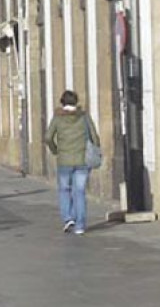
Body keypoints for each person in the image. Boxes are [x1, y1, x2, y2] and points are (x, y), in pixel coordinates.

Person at [45, 90, 100, 235]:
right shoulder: (84, 117)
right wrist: (94, 149)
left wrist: (55, 150)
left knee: (64, 189)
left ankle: (68, 217)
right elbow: (95, 137)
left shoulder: (58, 118)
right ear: (76, 102)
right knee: (80, 192)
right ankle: (80, 226)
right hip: (82, 160)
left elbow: (48, 137)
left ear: (62, 102)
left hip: (64, 160)